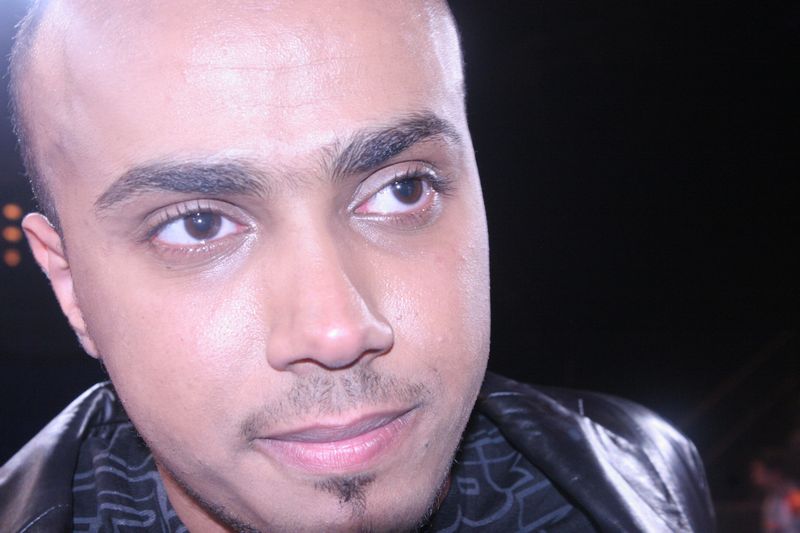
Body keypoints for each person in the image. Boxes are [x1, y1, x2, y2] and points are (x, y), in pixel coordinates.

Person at [0, 1, 714, 531]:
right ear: (70, 286)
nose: (338, 331)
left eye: (402, 189)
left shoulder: (641, 473)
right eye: (199, 224)